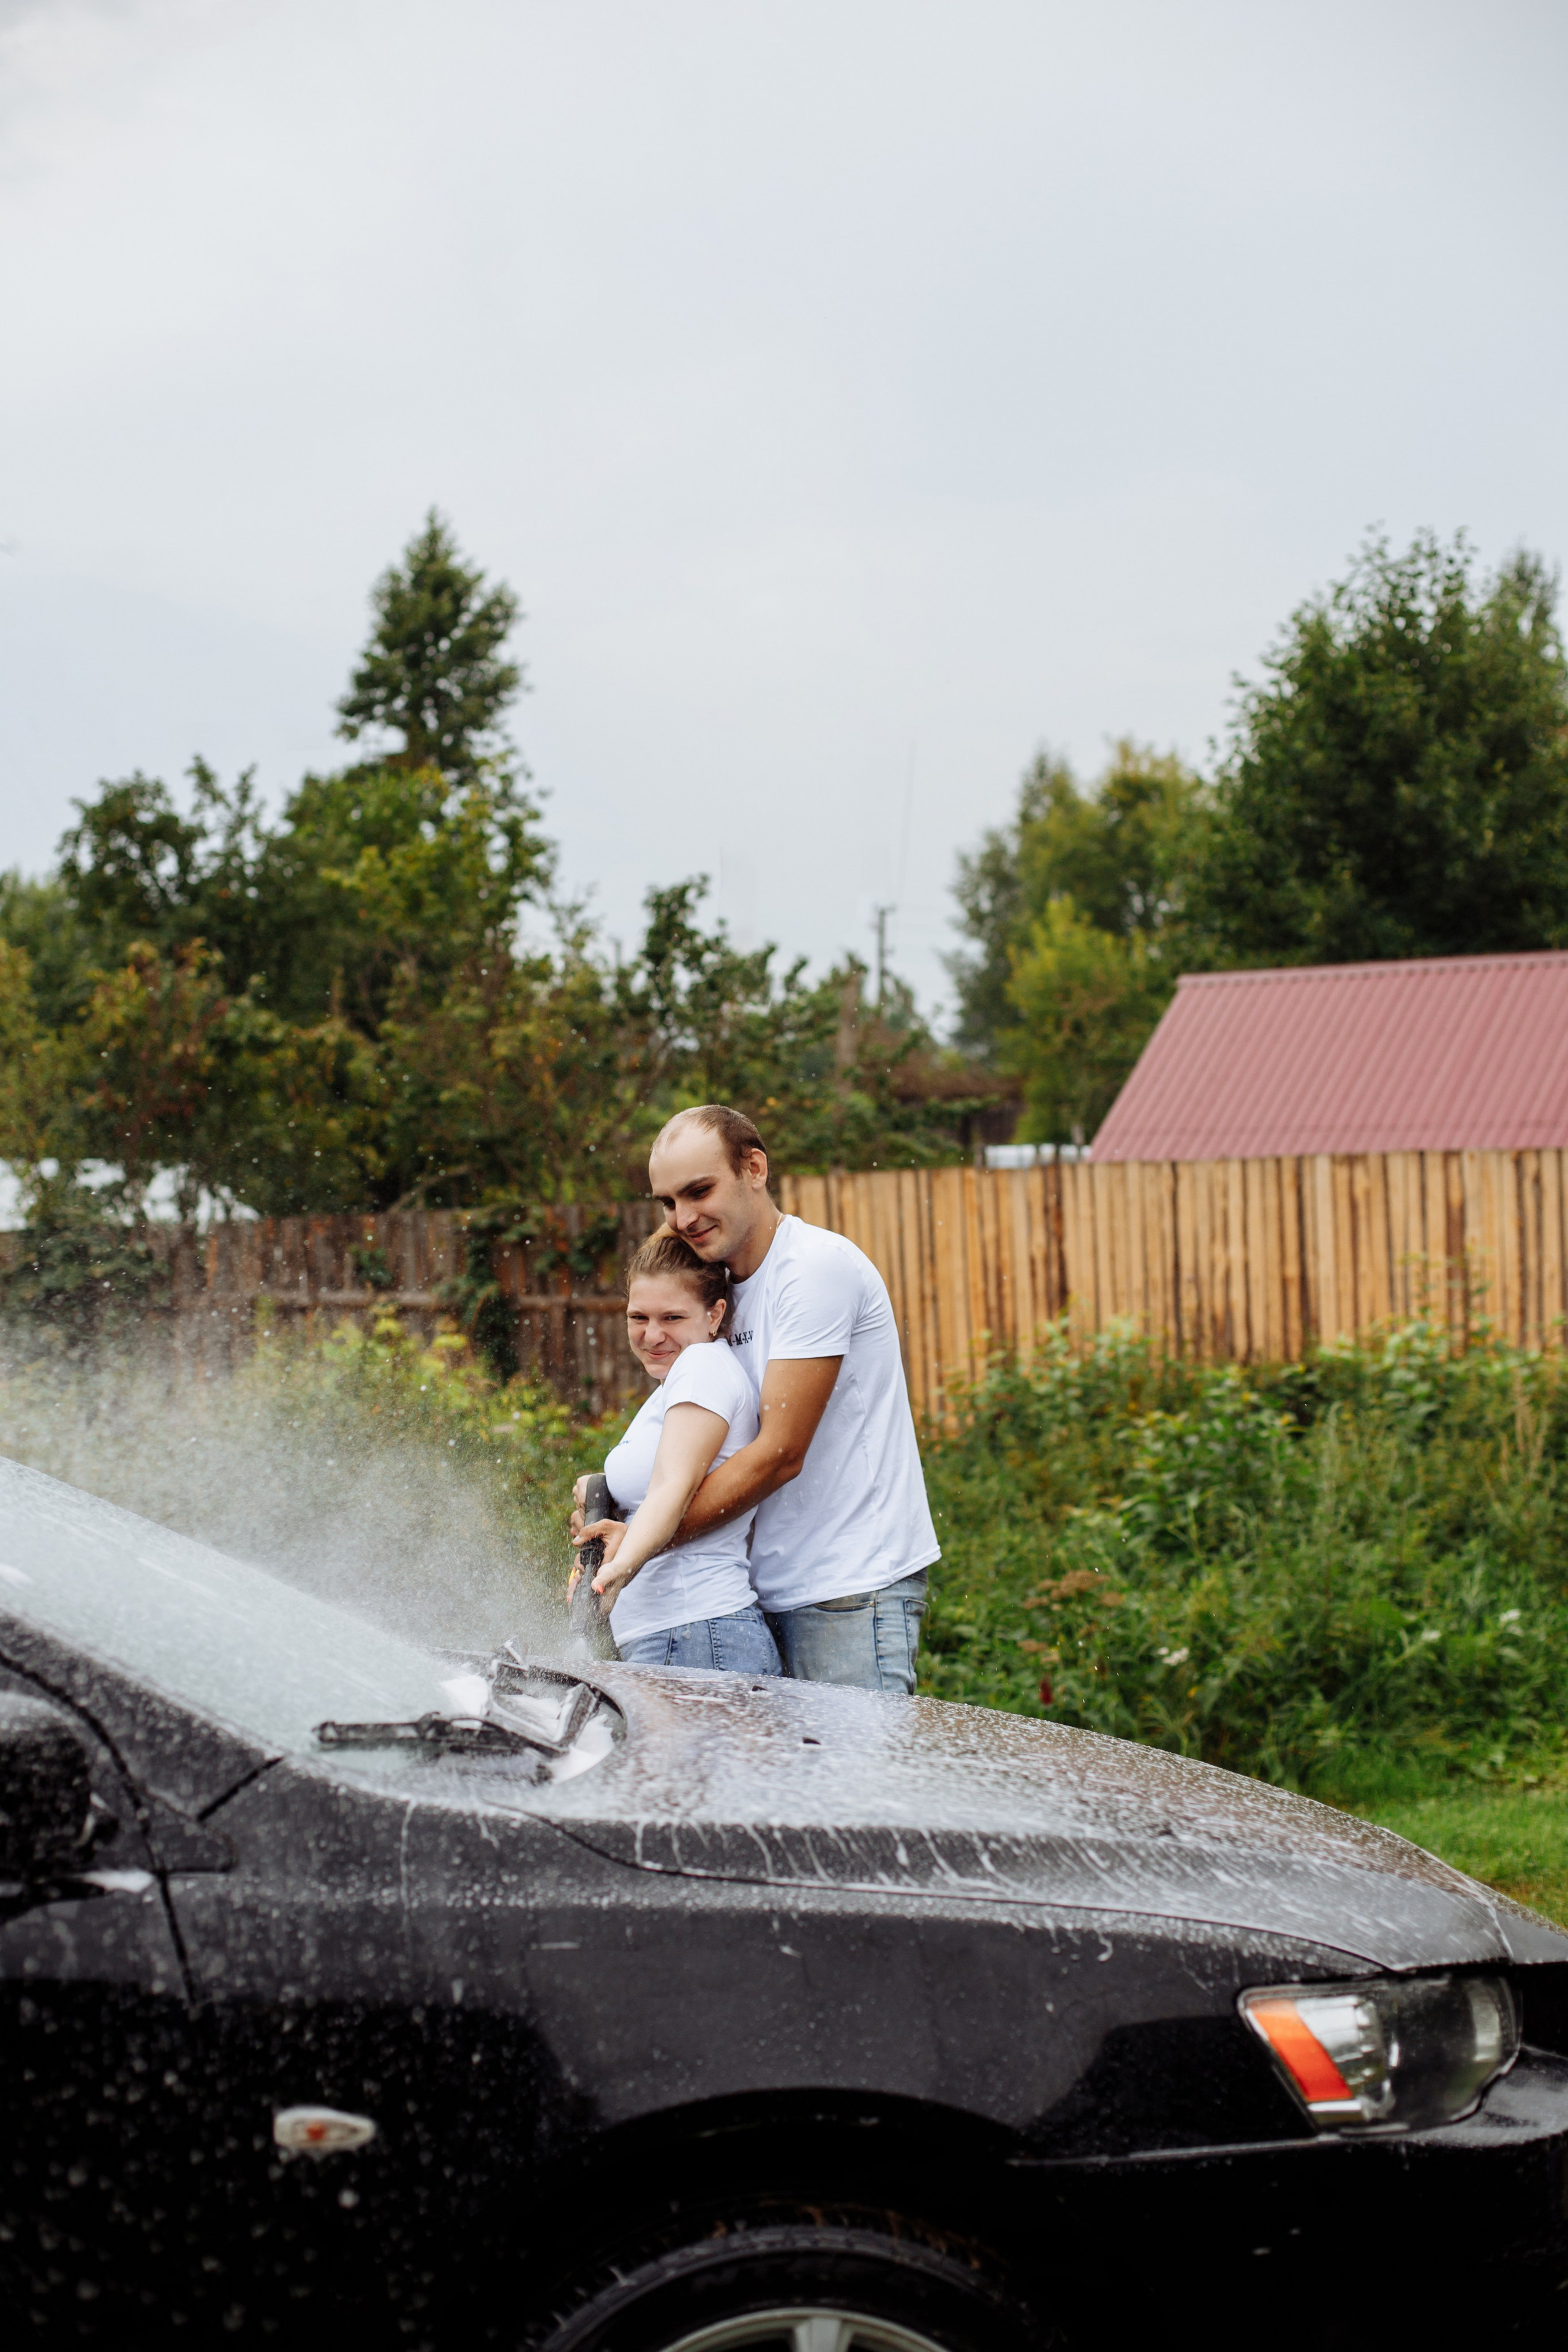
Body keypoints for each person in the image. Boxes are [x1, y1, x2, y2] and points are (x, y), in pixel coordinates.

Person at [582, 1104, 938, 1693]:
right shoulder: (716, 1288)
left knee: (853, 1760)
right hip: (756, 1589)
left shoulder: (812, 1270)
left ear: (754, 1168)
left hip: (845, 1587)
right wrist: (616, 1500)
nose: (684, 1218)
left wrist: (643, 1538)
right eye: (668, 1202)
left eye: (700, 1191)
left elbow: (779, 1453)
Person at [569, 1227, 781, 1676]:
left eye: (672, 1318)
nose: (652, 1335)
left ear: (714, 1314)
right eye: (638, 1317)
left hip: (696, 1636)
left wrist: (617, 1571)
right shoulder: (677, 1383)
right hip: (684, 1637)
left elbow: (673, 1485)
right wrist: (602, 1498)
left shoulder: (701, 1366)